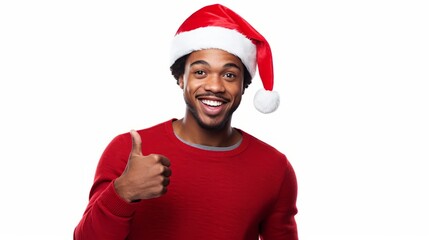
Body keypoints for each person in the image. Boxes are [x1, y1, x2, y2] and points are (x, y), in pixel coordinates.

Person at [73, 3, 298, 240]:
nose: (214, 86)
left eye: (229, 75)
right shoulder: (127, 151)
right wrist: (122, 192)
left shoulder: (274, 168)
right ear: (181, 78)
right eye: (200, 72)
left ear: (244, 85)